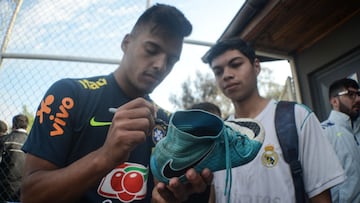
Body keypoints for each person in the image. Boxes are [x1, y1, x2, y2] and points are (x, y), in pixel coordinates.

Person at [21, 4, 211, 203]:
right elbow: (31, 195)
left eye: (171, 61)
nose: (160, 65)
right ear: (126, 43)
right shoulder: (68, 95)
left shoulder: (168, 123)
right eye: (152, 49)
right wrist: (105, 157)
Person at [203, 37, 345, 202]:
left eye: (236, 64)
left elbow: (321, 197)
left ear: (256, 66)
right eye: (218, 71)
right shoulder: (219, 135)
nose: (226, 75)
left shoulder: (296, 117)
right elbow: (215, 194)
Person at [321, 78, 360, 202]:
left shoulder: (356, 127)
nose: (358, 99)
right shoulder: (323, 132)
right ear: (334, 101)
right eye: (351, 95)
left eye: (358, 94)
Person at [0, 114, 28, 203]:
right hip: (23, 189)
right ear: (26, 126)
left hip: (4, 187)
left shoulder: (4, 140)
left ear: (14, 125)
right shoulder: (32, 142)